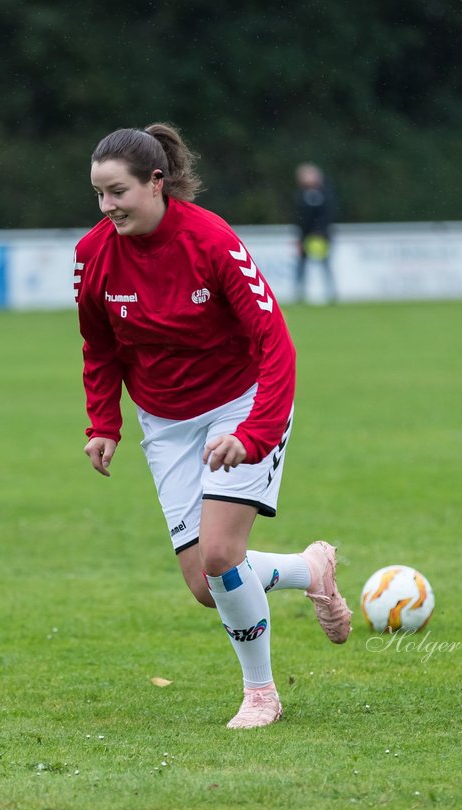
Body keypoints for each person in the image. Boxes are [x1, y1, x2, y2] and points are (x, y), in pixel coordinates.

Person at [74, 123, 351, 729]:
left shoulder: (212, 241)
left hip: (240, 402)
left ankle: (261, 694)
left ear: (156, 182)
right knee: (206, 584)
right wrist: (105, 423)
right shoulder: (92, 256)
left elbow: (275, 341)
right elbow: (98, 346)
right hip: (165, 422)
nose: (107, 207)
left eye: (117, 191)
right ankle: (312, 569)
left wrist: (254, 433)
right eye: (98, 194)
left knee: (224, 555)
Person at [293, 162, 338, 303]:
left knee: (325, 265)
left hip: (321, 236)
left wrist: (321, 233)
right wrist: (300, 239)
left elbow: (328, 216)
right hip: (305, 237)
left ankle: (331, 294)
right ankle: (299, 295)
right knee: (301, 267)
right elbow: (299, 219)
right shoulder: (300, 196)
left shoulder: (325, 194)